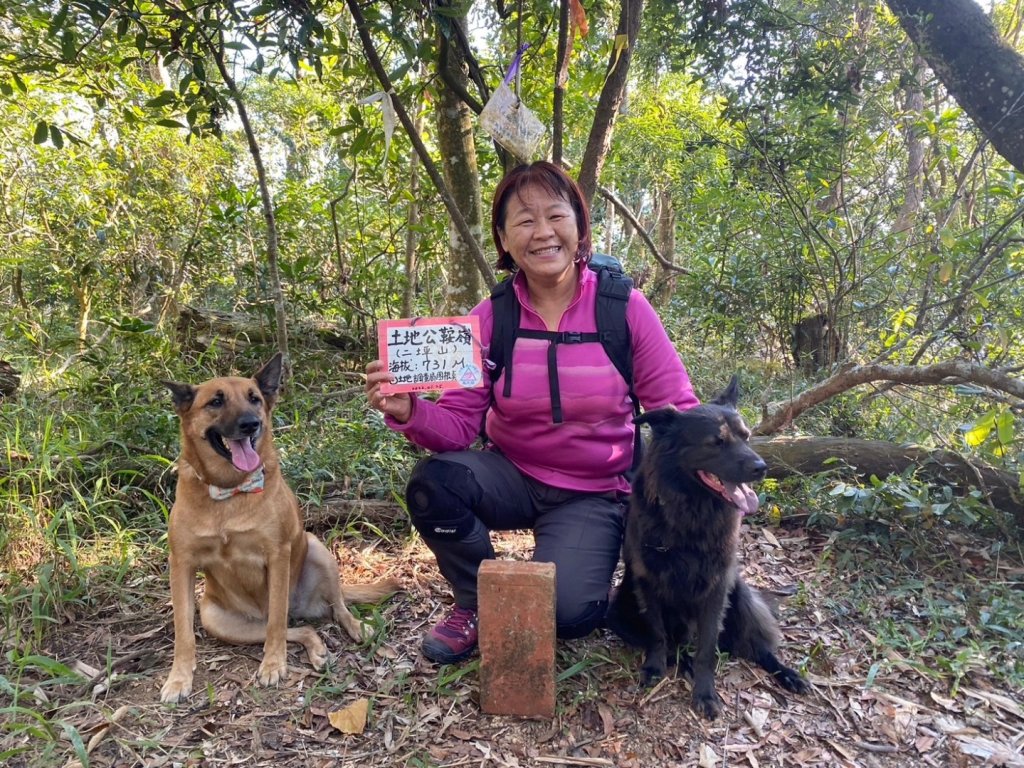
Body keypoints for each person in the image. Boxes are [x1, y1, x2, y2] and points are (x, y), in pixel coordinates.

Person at [365, 161, 700, 664]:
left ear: (580, 227)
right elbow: (458, 425)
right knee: (435, 484)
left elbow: (676, 408)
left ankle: (577, 574)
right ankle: (476, 601)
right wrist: (411, 411)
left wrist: (709, 472)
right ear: (503, 238)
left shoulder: (623, 308)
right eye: (523, 221)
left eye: (555, 216)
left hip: (593, 491)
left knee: (568, 616)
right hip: (512, 475)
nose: (542, 232)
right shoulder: (490, 317)